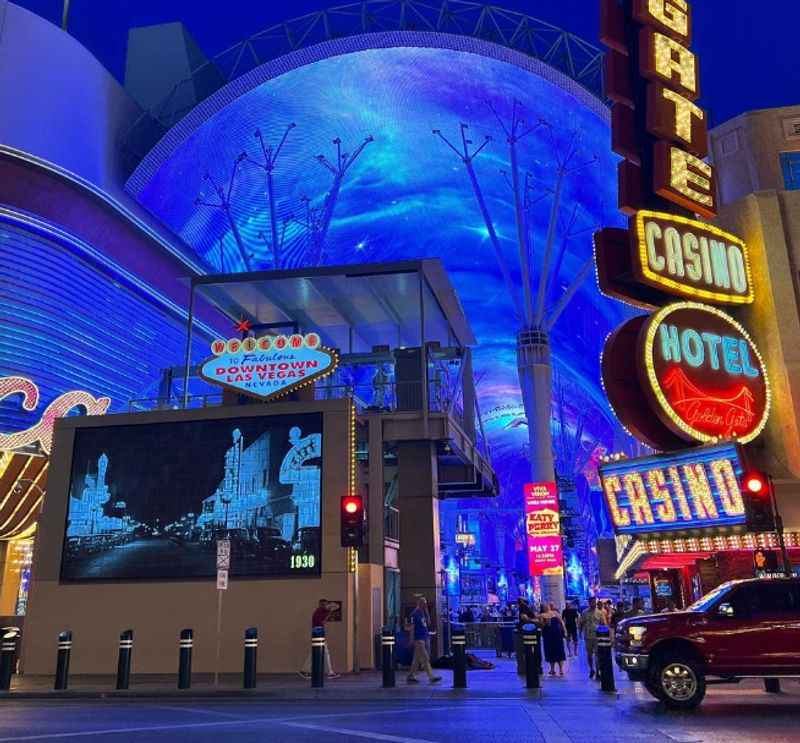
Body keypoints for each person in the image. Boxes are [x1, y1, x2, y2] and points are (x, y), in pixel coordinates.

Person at [300, 599, 339, 679]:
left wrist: (331, 607)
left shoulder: (322, 611)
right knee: (316, 653)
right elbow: (322, 622)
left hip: (319, 634)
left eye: (325, 604)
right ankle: (305, 670)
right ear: (320, 605)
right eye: (323, 604)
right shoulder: (318, 612)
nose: (324, 606)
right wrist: (330, 611)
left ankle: (306, 670)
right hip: (318, 634)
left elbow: (336, 606)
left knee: (322, 653)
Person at [406, 598, 442, 684]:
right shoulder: (414, 614)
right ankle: (431, 676)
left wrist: (427, 612)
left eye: (426, 603)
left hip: (424, 636)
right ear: (419, 604)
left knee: (416, 658)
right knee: (425, 657)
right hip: (418, 638)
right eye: (424, 603)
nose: (425, 605)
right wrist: (411, 639)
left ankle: (411, 675)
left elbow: (428, 623)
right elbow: (412, 628)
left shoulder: (422, 613)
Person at [579, 597, 607, 680]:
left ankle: (598, 671)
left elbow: (604, 624)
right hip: (588, 637)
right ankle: (591, 669)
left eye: (594, 602)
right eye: (591, 602)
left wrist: (604, 633)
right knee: (589, 655)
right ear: (589, 603)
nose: (593, 604)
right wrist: (580, 632)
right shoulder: (584, 613)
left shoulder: (600, 613)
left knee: (597, 655)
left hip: (597, 637)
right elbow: (581, 623)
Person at [541, 603, 567, 676]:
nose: (546, 608)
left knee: (560, 651)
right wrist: (545, 623)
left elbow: (561, 622)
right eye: (544, 607)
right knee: (550, 652)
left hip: (557, 635)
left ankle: (561, 669)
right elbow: (541, 625)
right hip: (548, 636)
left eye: (547, 606)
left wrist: (564, 631)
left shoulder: (555, 613)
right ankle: (552, 669)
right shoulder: (542, 615)